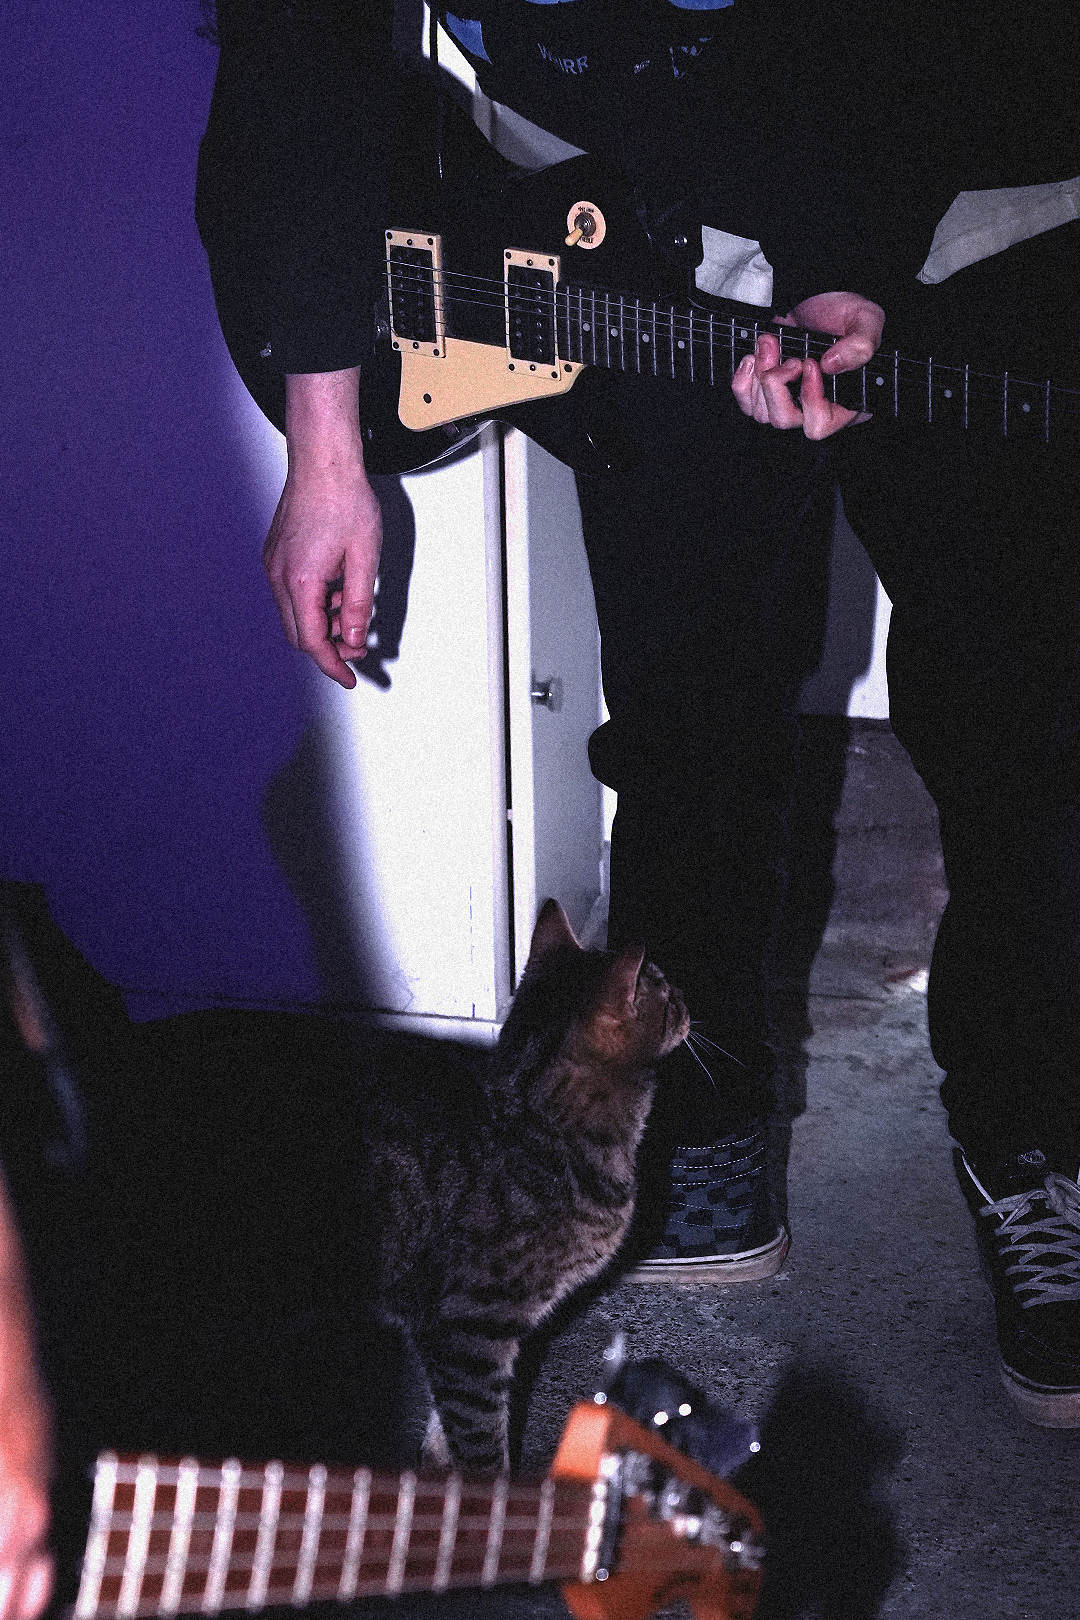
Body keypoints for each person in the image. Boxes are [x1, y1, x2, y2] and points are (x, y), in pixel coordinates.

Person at [195, 0, 1080, 1424]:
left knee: (1027, 719)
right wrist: (327, 445)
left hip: (976, 188)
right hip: (642, 216)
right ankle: (705, 1127)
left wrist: (845, 260)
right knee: (684, 701)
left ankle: (1036, 1136)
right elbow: (305, 49)